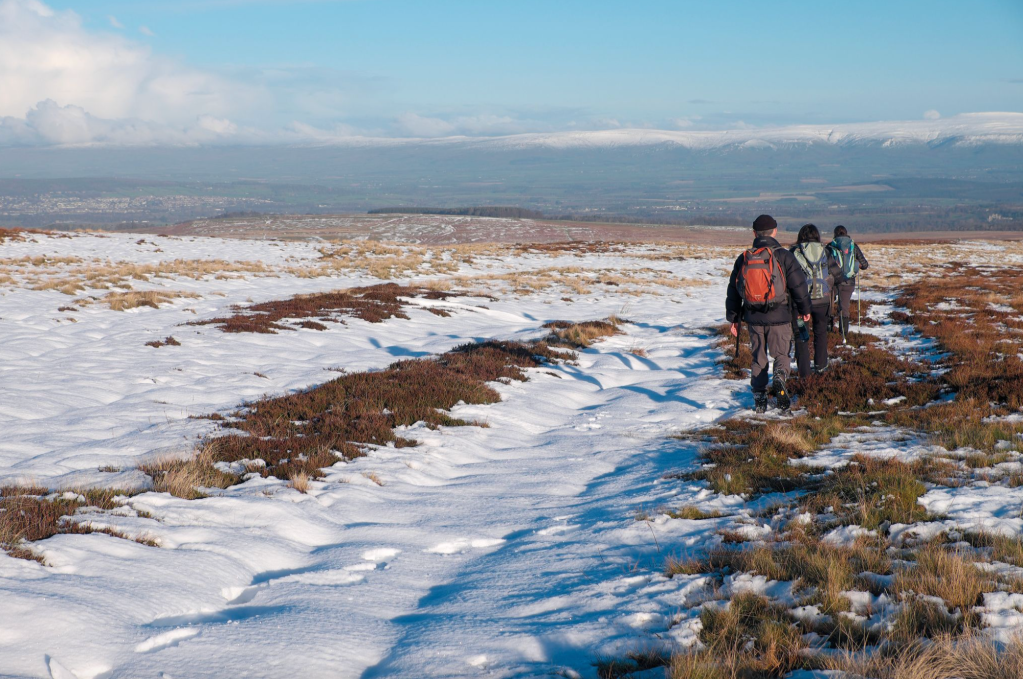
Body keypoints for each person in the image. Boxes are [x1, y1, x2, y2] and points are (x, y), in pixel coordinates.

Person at [726, 215, 811, 413]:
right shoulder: (784, 256)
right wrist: (805, 310)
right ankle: (780, 377)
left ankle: (760, 398)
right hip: (780, 316)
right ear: (775, 231)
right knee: (781, 354)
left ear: (754, 233)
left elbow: (733, 290)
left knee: (758, 358)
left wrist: (734, 318)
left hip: (753, 318)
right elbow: (799, 286)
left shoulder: (744, 258)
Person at [790, 224, 842, 376]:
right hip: (823, 302)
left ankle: (805, 375)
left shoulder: (794, 252)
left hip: (800, 304)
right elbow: (838, 275)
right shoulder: (826, 251)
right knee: (821, 334)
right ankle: (821, 369)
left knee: (801, 336)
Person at [828, 225, 869, 342]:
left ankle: (828, 329)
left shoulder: (831, 246)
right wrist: (857, 265)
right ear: (846, 233)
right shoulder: (853, 246)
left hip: (833, 281)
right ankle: (843, 334)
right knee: (844, 307)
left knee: (829, 305)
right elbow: (865, 265)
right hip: (848, 282)